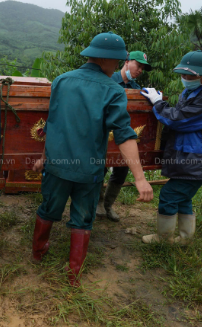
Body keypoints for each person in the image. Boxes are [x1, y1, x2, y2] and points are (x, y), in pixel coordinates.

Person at [31, 32, 154, 287]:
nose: (119, 65)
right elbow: (123, 136)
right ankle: (73, 275)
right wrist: (140, 179)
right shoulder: (113, 90)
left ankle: (37, 254)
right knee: (82, 220)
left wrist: (43, 158)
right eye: (118, 60)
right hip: (88, 172)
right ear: (106, 60)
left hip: (56, 166)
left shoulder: (61, 81)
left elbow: (52, 124)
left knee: (48, 210)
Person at [140, 50, 202, 245]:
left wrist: (158, 104)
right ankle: (185, 239)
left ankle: (163, 239)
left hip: (198, 159)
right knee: (183, 196)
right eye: (183, 74)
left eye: (190, 75)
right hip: (188, 156)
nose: (185, 78)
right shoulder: (192, 92)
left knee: (170, 195)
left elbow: (179, 120)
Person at [96, 51, 152, 222]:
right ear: (127, 62)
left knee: (121, 172)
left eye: (143, 67)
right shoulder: (107, 79)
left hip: (125, 138)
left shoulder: (137, 89)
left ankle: (107, 205)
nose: (140, 70)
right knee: (100, 169)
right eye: (138, 65)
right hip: (105, 137)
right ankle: (96, 204)